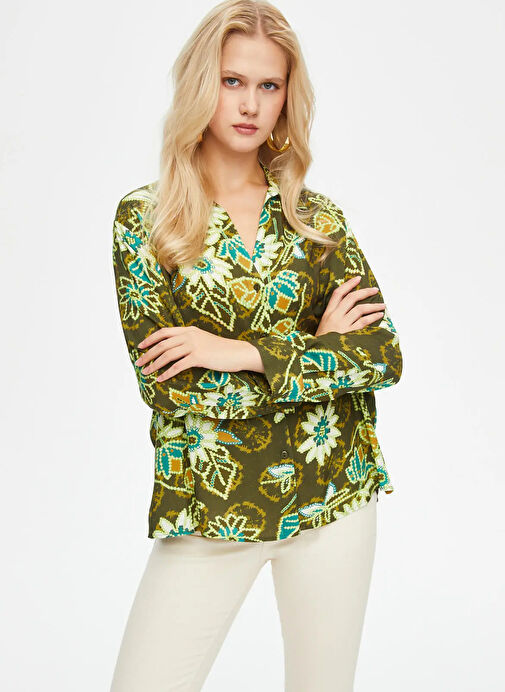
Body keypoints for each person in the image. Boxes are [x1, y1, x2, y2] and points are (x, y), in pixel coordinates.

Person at [110, 1, 403, 690]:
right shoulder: (146, 220)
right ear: (199, 85)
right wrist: (314, 352)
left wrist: (239, 352)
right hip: (211, 509)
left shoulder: (316, 220)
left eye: (269, 85)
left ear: (286, 97)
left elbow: (381, 356)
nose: (250, 104)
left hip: (333, 496)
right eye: (232, 81)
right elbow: (173, 387)